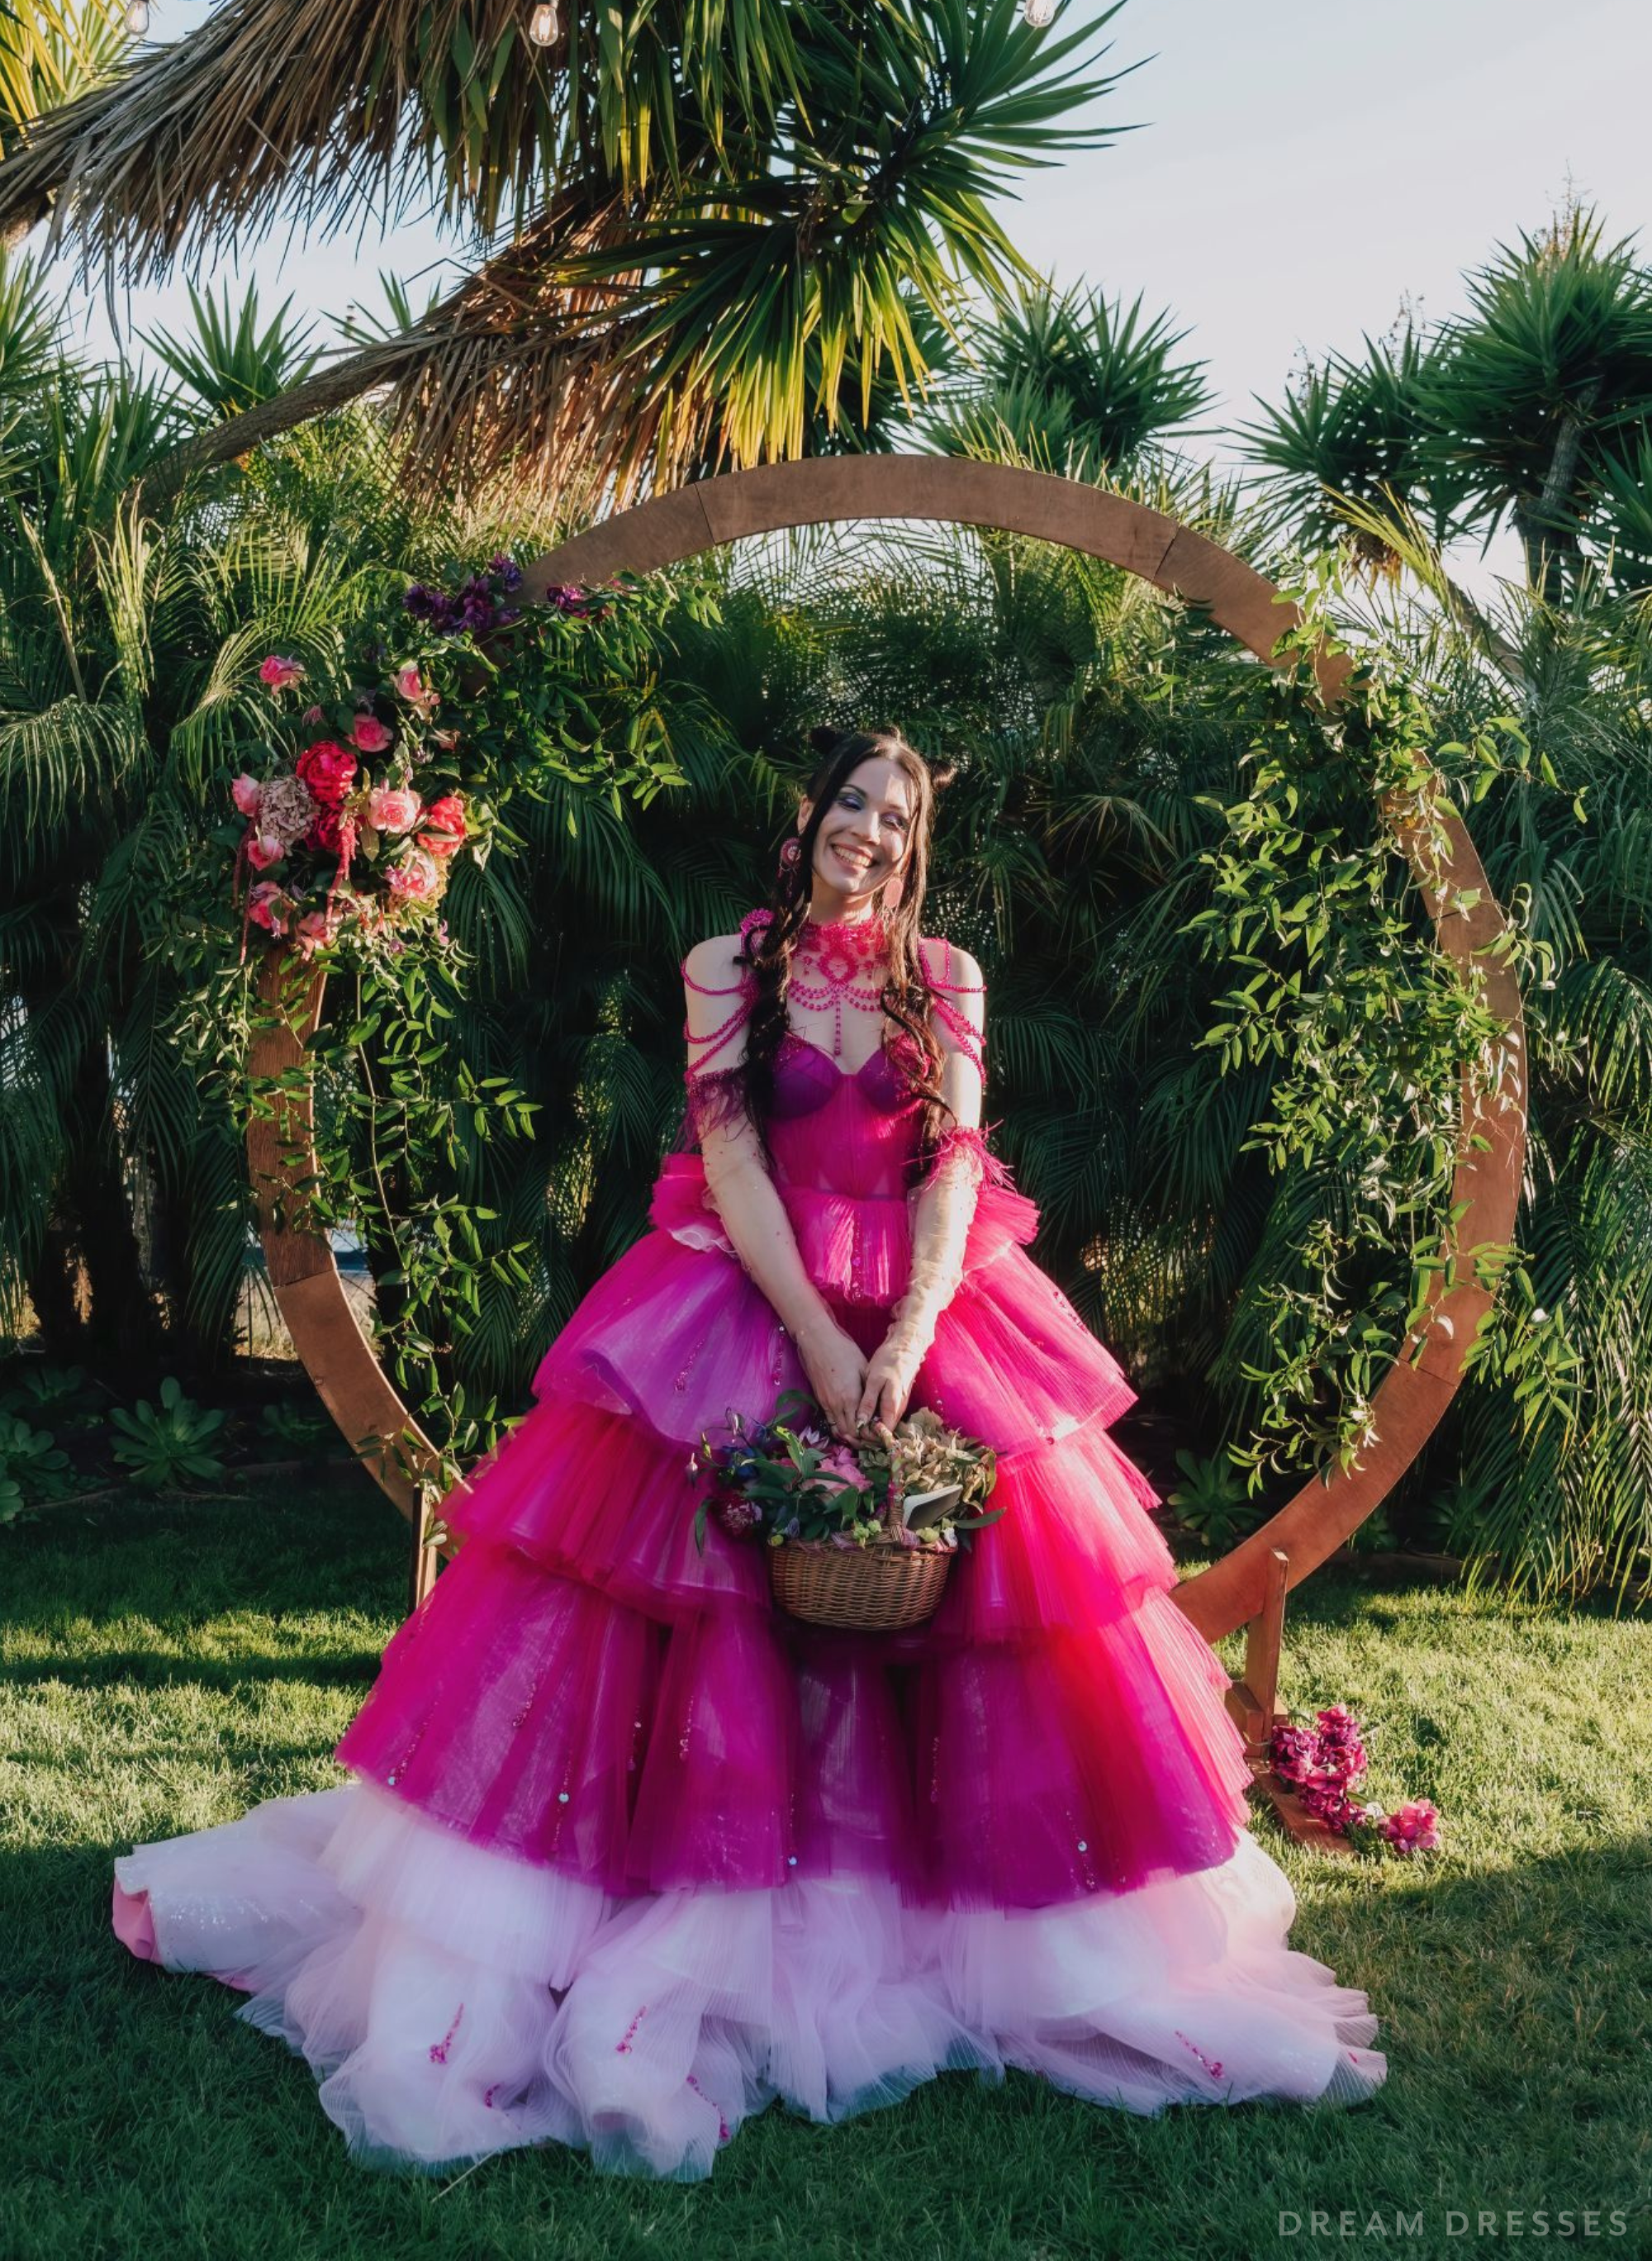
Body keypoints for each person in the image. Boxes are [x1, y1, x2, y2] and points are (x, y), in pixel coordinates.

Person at [110, 721, 1387, 2181]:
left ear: (917, 848)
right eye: (855, 803)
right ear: (810, 812)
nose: (872, 835)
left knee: (980, 1624)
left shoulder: (947, 981)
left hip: (930, 1308)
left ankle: (953, 1935)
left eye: (898, 820)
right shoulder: (733, 969)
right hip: (742, 1300)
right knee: (690, 1614)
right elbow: (729, 1162)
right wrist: (822, 1347)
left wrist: (903, 1347)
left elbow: (957, 1170)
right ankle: (658, 1918)